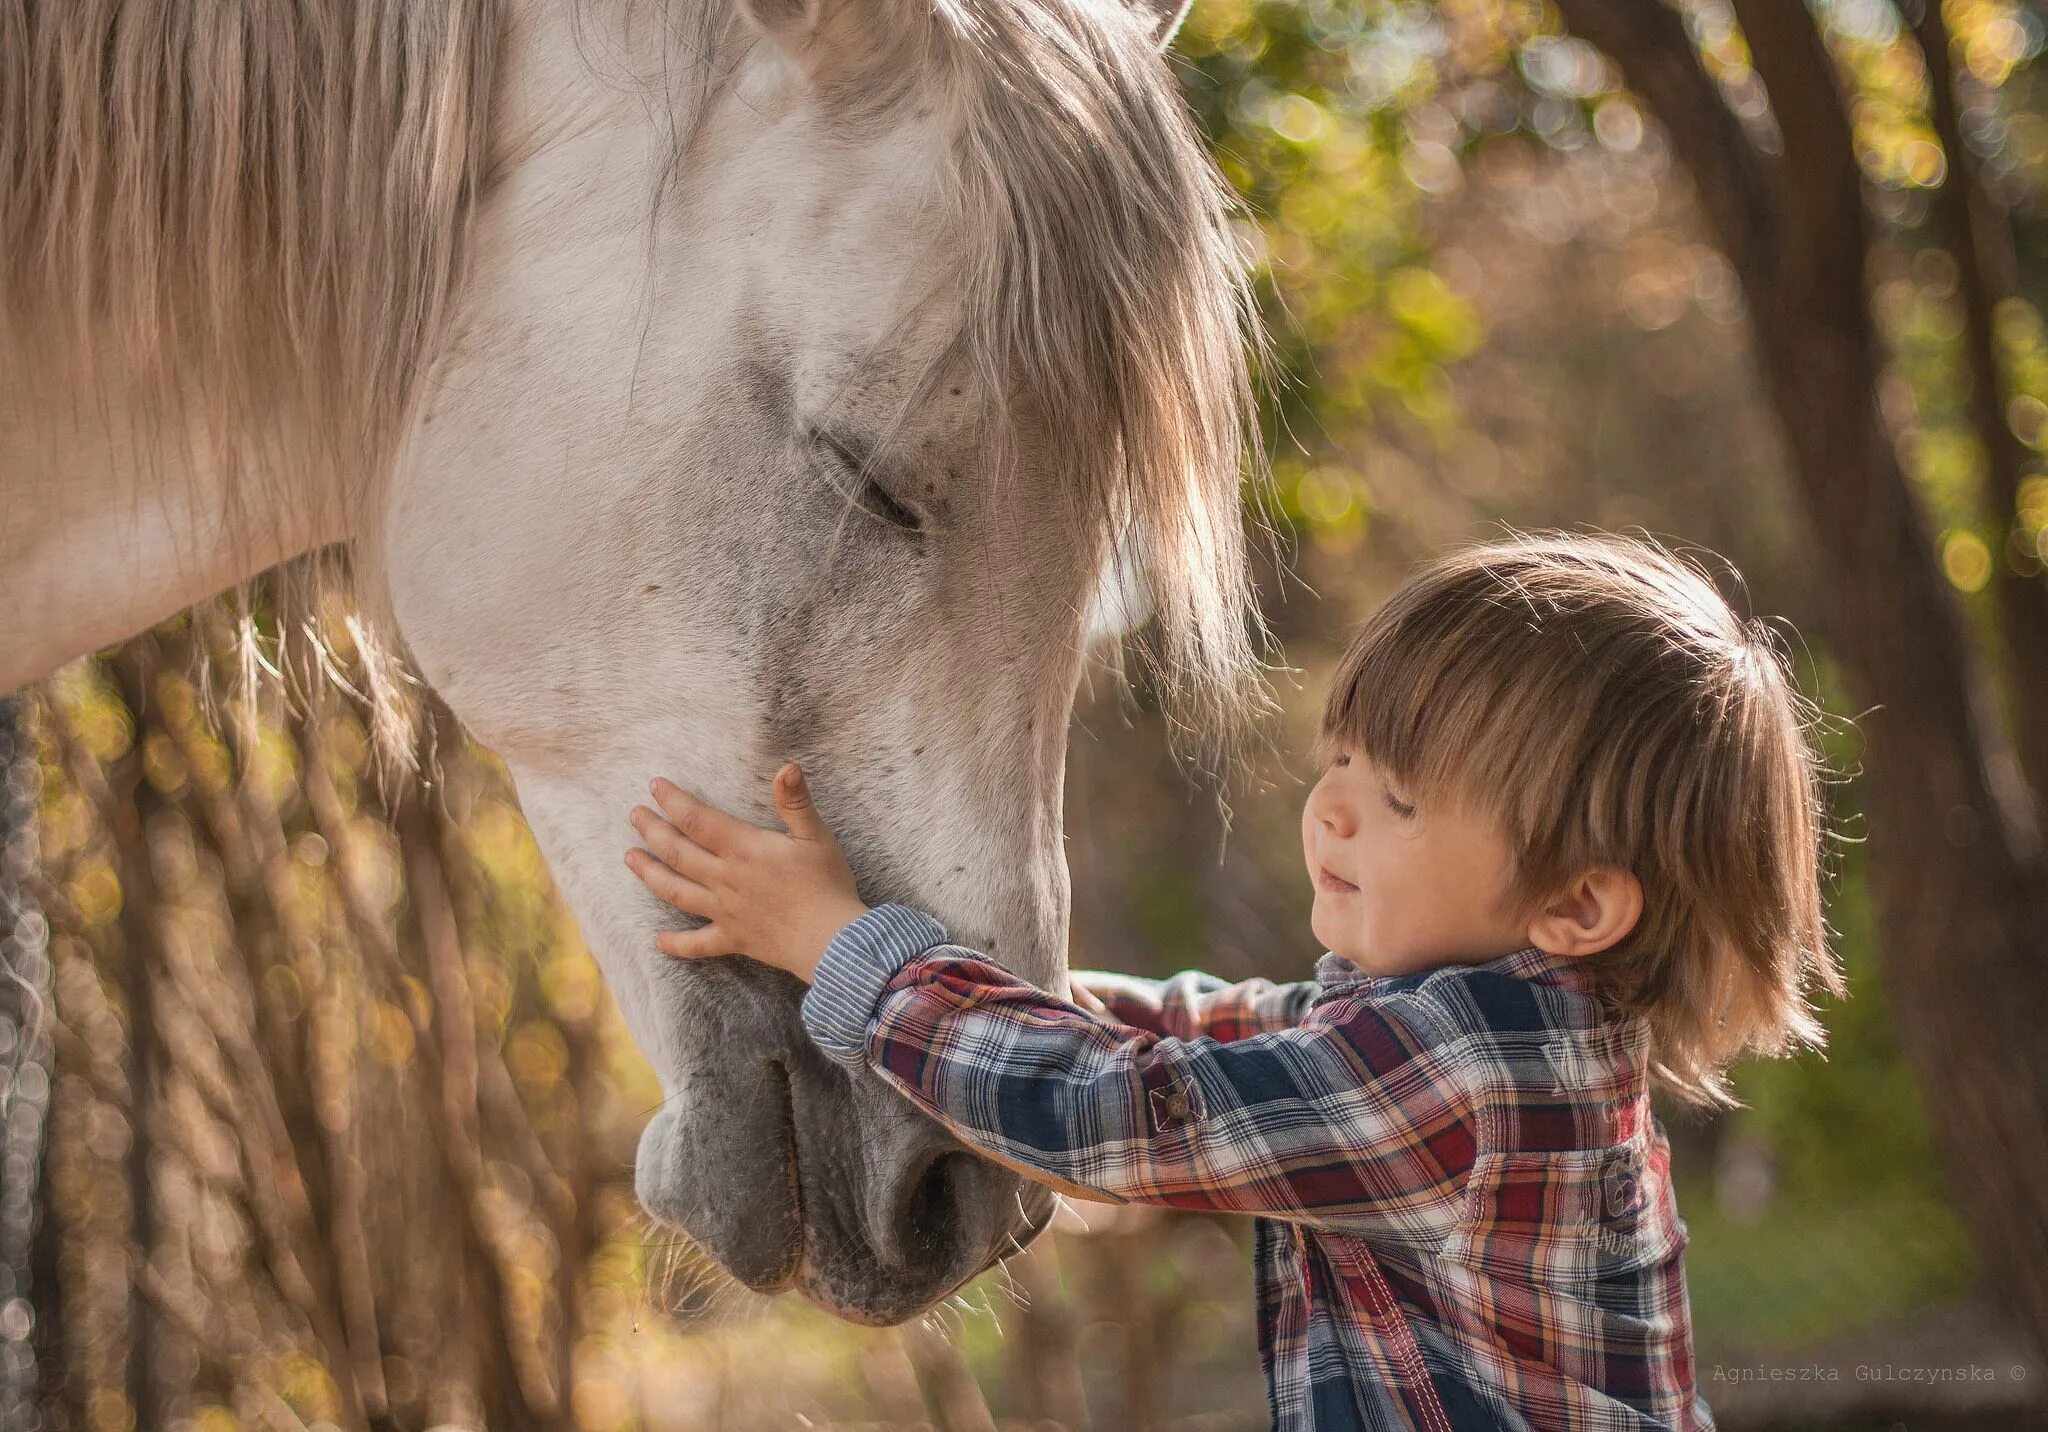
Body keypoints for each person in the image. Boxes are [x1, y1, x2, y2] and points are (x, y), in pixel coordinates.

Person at [623, 529, 1845, 1431]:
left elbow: (1130, 1110)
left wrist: (847, 953)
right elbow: (1220, 1036)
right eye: (1342, 757)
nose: (1330, 807)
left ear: (1576, 902)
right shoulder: (1486, 1030)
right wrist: (1007, 981)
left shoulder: (1459, 1074)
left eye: (1398, 797)